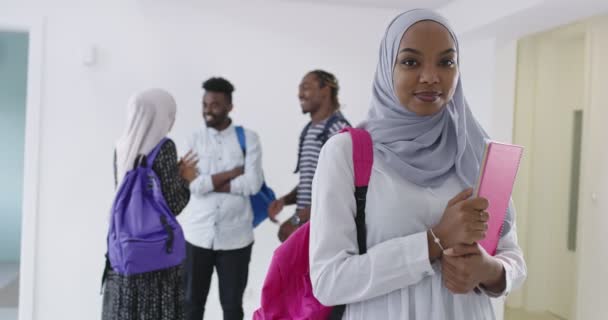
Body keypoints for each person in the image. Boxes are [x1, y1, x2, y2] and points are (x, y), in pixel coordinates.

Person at [309, 9, 527, 320]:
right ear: (388, 67)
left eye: (446, 62)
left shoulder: (476, 151)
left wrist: (489, 270)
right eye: (411, 62)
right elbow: (329, 280)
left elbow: (513, 256)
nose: (430, 76)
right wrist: (434, 241)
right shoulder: (346, 153)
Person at [102, 88, 198, 320]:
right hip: (156, 260)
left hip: (123, 252)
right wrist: (185, 178)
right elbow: (172, 205)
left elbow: (135, 196)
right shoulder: (164, 147)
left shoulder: (121, 146)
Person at [179, 77, 264, 320]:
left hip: (236, 239)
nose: (207, 110)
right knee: (191, 306)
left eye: (215, 104)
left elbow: (253, 183)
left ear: (229, 106)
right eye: (204, 104)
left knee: (232, 307)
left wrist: (209, 182)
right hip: (197, 236)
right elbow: (194, 187)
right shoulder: (193, 139)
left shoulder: (248, 139)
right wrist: (231, 174)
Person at [267, 70, 351, 241]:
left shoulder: (338, 130)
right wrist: (285, 200)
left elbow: (342, 187)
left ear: (325, 90)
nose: (299, 94)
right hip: (309, 224)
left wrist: (299, 219)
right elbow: (314, 180)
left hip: (326, 229)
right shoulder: (309, 131)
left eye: (305, 88)